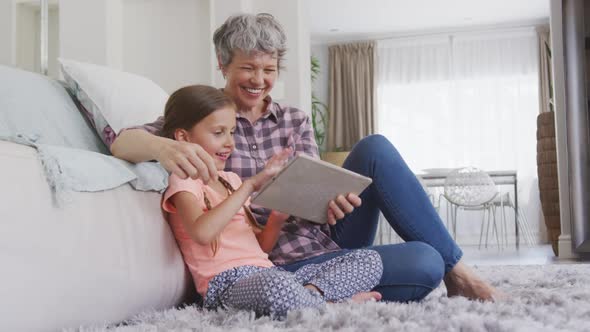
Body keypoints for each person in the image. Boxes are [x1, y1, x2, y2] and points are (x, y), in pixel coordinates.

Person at [110, 13, 501, 302]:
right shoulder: (199, 121)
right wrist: (164, 147)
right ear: (223, 64)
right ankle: (322, 295)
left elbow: (314, 194)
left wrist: (335, 201)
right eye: (247, 68)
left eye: (269, 69)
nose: (258, 80)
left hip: (320, 237)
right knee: (422, 262)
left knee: (376, 149)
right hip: (266, 263)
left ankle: (457, 270)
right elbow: (120, 143)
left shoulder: (294, 119)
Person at [160, 84, 383, 319]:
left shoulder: (231, 180)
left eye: (232, 132)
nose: (230, 143)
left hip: (270, 272)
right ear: (183, 137)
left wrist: (277, 218)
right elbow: (202, 233)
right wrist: (249, 186)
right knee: (274, 284)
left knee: (369, 259)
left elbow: (262, 247)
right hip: (226, 286)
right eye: (219, 133)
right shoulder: (184, 181)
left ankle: (310, 298)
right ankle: (328, 306)